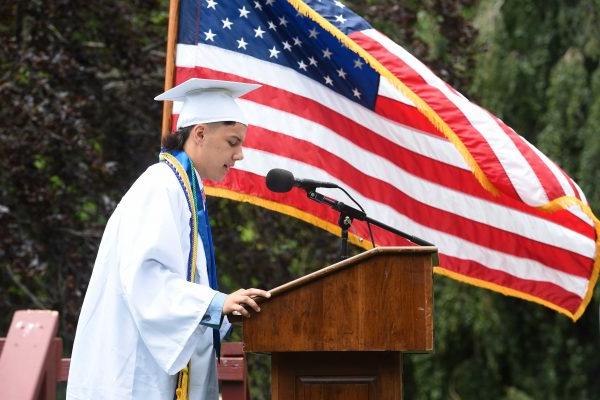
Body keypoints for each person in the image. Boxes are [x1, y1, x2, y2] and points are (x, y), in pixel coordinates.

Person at [66, 78, 271, 400]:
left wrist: (221, 308)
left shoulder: (185, 188)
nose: (240, 155)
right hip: (134, 369)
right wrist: (217, 303)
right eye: (233, 142)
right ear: (200, 134)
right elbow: (145, 277)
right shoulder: (160, 186)